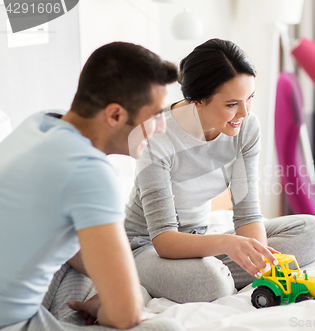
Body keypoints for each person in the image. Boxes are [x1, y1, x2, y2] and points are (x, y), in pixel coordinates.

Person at [125, 38, 315, 303]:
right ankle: (185, 275)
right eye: (232, 104)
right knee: (211, 283)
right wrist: (227, 244)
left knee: (311, 231)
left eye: (250, 98)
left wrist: (265, 266)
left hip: (202, 238)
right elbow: (164, 239)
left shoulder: (245, 127)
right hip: (149, 246)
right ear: (198, 101)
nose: (244, 113)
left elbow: (247, 214)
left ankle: (215, 272)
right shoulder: (156, 137)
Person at [0, 42, 184, 331]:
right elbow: (126, 316)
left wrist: (116, 291)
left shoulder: (42, 122)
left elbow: (58, 239)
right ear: (115, 116)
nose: (161, 127)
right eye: (155, 115)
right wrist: (123, 300)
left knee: (85, 270)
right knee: (166, 328)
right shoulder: (88, 170)